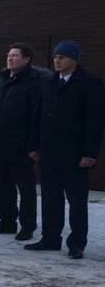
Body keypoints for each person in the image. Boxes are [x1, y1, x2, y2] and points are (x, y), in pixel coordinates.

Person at [25, 41, 105, 259]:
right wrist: (33, 146)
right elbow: (37, 117)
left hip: (75, 154)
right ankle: (51, 238)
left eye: (62, 57)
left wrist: (90, 153)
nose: (57, 61)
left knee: (77, 201)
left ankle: (77, 243)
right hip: (49, 152)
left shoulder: (90, 84)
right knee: (50, 198)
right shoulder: (48, 82)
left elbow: (95, 122)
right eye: (55, 57)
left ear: (74, 60)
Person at [0, 44, 44, 241]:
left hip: (21, 146)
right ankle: (7, 221)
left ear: (27, 59)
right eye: (8, 55)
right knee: (3, 186)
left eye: (15, 56)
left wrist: (34, 146)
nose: (10, 59)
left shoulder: (35, 82)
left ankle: (27, 226)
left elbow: (37, 116)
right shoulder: (2, 79)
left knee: (25, 189)